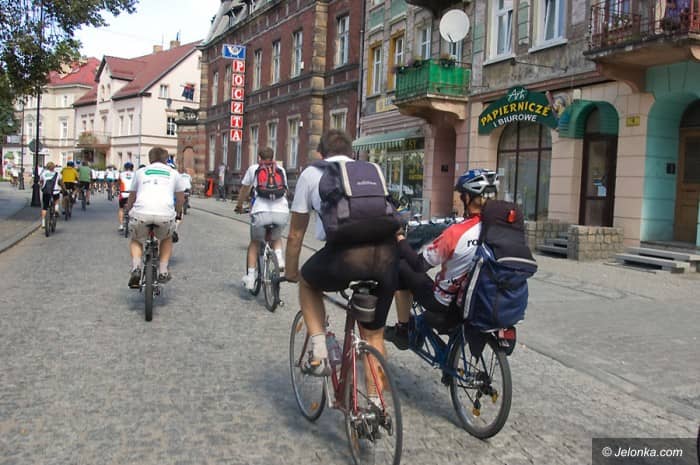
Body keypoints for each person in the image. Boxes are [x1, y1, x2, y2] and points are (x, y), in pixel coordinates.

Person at [284, 130, 399, 376]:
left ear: (321, 154)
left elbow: (295, 234)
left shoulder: (312, 174)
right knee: (373, 336)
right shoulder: (369, 172)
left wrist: (291, 272)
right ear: (351, 153)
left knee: (307, 282)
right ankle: (376, 399)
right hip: (387, 258)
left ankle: (319, 353)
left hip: (345, 257)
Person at [384, 169, 499, 350]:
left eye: (462, 196)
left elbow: (420, 265)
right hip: (484, 299)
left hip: (445, 302)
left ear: (467, 198)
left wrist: (400, 239)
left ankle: (403, 330)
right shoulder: (501, 228)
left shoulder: (456, 233)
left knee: (403, 266)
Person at [126, 147, 186, 287]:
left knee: (136, 239)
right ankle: (163, 270)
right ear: (166, 160)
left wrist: (129, 210)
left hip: (141, 213)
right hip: (165, 215)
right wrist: (178, 212)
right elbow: (180, 199)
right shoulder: (174, 173)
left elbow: (132, 196)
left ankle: (136, 268)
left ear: (150, 159)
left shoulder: (140, 172)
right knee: (167, 237)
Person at [235, 147, 290, 289]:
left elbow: (244, 190)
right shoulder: (280, 170)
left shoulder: (253, 169)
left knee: (254, 243)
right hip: (281, 212)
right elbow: (285, 190)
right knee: (276, 238)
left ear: (259, 157)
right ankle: (279, 259)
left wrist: (239, 205)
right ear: (273, 157)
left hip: (260, 212)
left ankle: (250, 278)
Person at [39, 162, 62, 228]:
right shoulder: (57, 174)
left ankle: (43, 223)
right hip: (55, 191)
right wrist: (63, 188)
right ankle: (56, 209)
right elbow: (60, 182)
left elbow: (41, 181)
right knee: (56, 200)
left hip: (46, 192)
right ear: (54, 167)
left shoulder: (43, 173)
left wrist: (41, 187)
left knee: (45, 207)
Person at [118, 162, 135, 231]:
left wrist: (117, 189)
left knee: (121, 209)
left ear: (125, 168)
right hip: (132, 194)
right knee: (134, 209)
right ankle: (133, 224)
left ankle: (121, 225)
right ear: (132, 168)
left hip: (123, 193)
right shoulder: (135, 174)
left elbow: (118, 183)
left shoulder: (121, 174)